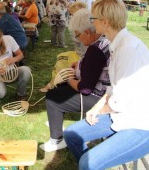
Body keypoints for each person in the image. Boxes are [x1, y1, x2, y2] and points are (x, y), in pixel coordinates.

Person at [64, 0, 149, 170]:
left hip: (147, 125)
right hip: (125, 116)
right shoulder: (118, 44)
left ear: (105, 22)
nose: (92, 22)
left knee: (87, 163)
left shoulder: (128, 49)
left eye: (94, 18)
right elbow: (113, 88)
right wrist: (96, 108)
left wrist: (102, 109)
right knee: (71, 134)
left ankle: (92, 164)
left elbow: (119, 101)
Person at [39, 8, 110, 152]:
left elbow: (85, 88)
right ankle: (56, 123)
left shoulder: (95, 50)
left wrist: (70, 77)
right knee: (59, 89)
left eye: (78, 35)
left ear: (87, 32)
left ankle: (57, 140)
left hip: (101, 97)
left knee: (53, 98)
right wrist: (80, 65)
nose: (78, 39)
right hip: (106, 92)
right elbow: (95, 67)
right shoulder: (105, 39)